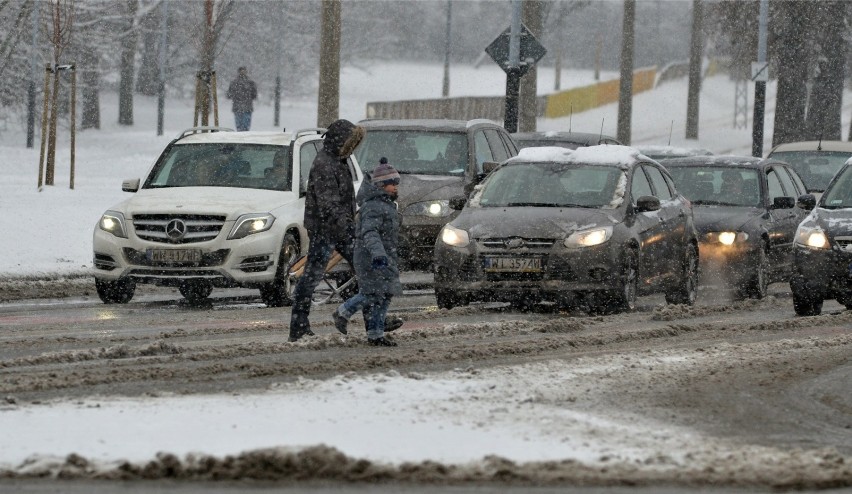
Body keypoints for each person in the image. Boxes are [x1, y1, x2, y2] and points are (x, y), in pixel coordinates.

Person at [288, 119, 365, 342]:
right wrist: (348, 227)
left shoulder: (336, 160)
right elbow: (329, 204)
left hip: (335, 228)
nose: (352, 148)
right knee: (312, 277)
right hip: (328, 230)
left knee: (315, 277)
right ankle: (299, 325)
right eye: (349, 142)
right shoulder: (326, 164)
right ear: (340, 141)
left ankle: (374, 320)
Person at [332, 159, 402, 347]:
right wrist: (378, 254)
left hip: (384, 257)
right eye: (391, 184)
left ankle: (375, 334)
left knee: (384, 295)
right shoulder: (373, 206)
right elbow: (370, 233)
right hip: (371, 258)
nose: (395, 187)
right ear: (380, 186)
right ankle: (343, 312)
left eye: (396, 183)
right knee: (372, 293)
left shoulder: (386, 205)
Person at [226, 67, 258, 131]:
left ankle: (240, 137)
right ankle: (244, 137)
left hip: (238, 107)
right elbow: (254, 95)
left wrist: (236, 96)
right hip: (246, 107)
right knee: (245, 126)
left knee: (239, 126)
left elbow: (229, 95)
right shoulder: (250, 83)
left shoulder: (234, 83)